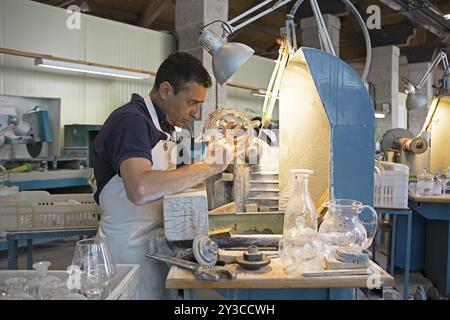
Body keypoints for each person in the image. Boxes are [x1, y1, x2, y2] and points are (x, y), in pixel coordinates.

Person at [92, 52, 236, 299]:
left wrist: (206, 160)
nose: (196, 113)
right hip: (126, 254)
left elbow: (171, 180)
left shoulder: (165, 127)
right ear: (166, 90)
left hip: (153, 247)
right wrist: (210, 167)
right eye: (192, 102)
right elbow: (140, 189)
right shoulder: (132, 121)